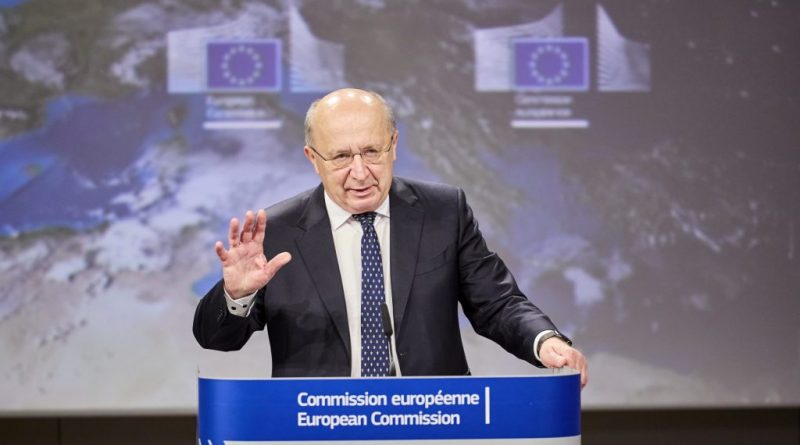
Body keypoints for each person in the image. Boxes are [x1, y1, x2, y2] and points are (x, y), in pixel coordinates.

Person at [193, 88, 588, 386]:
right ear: (313, 159)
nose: (360, 172)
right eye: (341, 157)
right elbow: (217, 339)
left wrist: (544, 341)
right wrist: (237, 295)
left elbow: (497, 303)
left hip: (432, 420)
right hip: (319, 427)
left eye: (372, 151)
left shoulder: (443, 211)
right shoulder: (277, 231)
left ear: (394, 145)